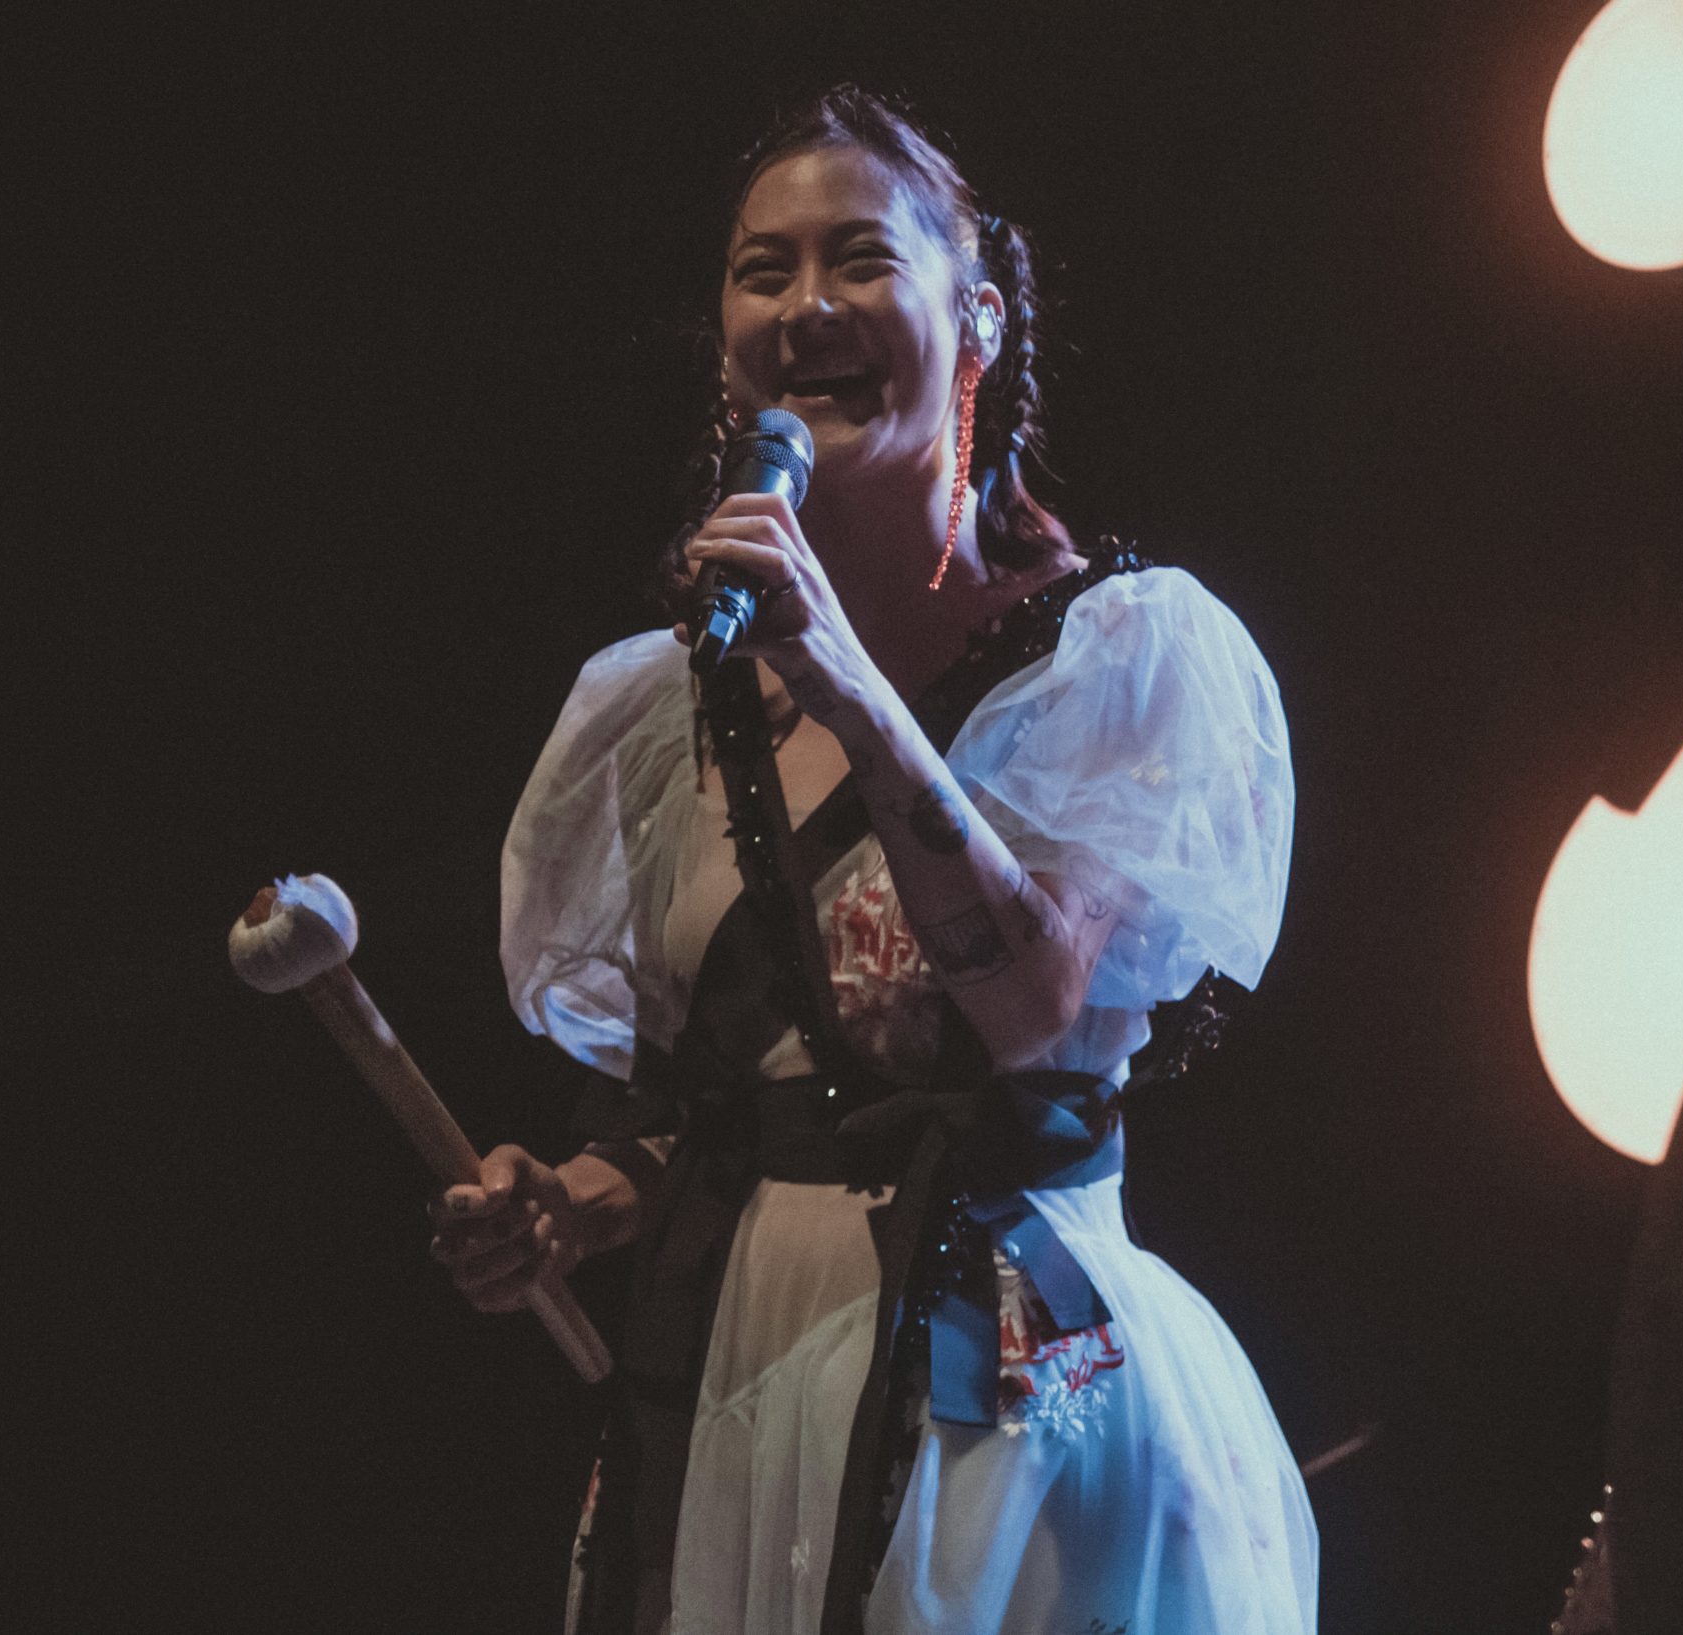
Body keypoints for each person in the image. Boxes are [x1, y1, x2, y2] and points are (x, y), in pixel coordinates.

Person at [429, 86, 1316, 1635]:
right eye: (761, 271)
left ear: (976, 319)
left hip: (1005, 1392)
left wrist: (846, 682)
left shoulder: (1118, 655)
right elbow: (709, 1109)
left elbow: (1032, 1008)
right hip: (737, 1381)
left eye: (859, 260)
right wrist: (568, 1202)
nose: (807, 306)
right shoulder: (660, 708)